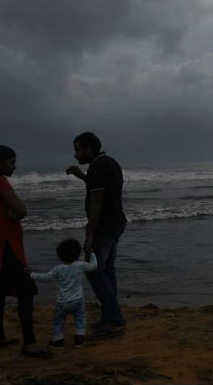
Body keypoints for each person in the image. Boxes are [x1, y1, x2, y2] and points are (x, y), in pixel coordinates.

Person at [0, 145, 51, 358]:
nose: (15, 167)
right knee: (27, 290)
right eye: (11, 162)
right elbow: (21, 208)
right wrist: (17, 216)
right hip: (5, 246)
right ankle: (30, 343)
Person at [66, 132, 128, 339]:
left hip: (104, 226)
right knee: (107, 271)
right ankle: (109, 318)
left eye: (78, 149)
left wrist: (89, 234)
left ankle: (115, 320)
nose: (75, 154)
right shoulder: (109, 163)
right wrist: (82, 176)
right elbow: (102, 189)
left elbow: (97, 201)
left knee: (94, 272)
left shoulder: (98, 167)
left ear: (89, 148)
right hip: (116, 222)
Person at [29, 239, 98, 349]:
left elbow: (46, 277)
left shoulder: (58, 269)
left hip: (62, 301)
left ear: (60, 255)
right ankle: (79, 339)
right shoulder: (81, 265)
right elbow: (93, 266)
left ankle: (58, 341)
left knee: (58, 321)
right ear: (77, 254)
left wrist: (32, 274)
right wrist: (92, 254)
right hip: (78, 300)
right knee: (80, 318)